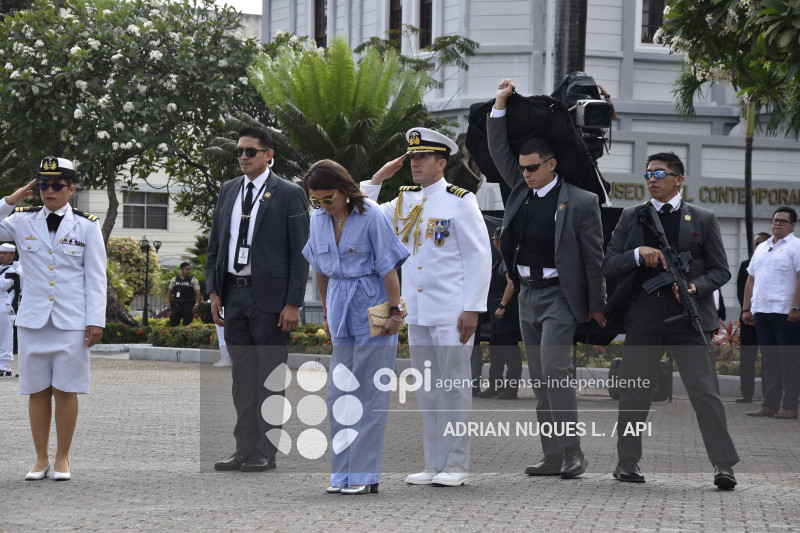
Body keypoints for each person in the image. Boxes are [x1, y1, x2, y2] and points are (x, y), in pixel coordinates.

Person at [488, 78, 606, 479]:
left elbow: (593, 259)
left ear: (551, 165)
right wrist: (501, 104)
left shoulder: (581, 202)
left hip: (558, 296)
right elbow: (498, 148)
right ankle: (552, 454)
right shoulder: (520, 190)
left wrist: (595, 307)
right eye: (522, 169)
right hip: (527, 296)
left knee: (556, 371)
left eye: (533, 168)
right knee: (539, 379)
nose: (525, 174)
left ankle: (574, 452)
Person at [361, 127, 492, 487]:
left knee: (454, 387)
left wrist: (473, 307)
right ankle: (434, 463)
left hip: (453, 312)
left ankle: (457, 465)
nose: (415, 163)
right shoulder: (404, 201)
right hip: (417, 311)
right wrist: (377, 178)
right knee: (429, 389)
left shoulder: (460, 200)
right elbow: (362, 212)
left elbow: (479, 257)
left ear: (441, 162)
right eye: (412, 157)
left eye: (422, 157)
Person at [603, 151, 739, 490]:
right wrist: (637, 255)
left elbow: (721, 270)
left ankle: (724, 465)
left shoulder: (703, 218)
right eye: (648, 173)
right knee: (635, 393)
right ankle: (627, 462)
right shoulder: (632, 216)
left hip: (688, 317)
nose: (651, 178)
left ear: (679, 179)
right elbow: (607, 262)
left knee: (704, 392)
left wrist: (696, 286)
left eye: (660, 173)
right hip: (645, 315)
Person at [301, 159, 410, 495]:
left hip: (373, 303)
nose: (323, 205)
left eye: (328, 197)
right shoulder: (318, 220)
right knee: (339, 394)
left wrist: (395, 312)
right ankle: (343, 473)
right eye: (316, 199)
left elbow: (389, 267)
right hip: (338, 304)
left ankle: (363, 475)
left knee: (369, 391)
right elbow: (320, 269)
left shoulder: (372, 214)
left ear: (345, 190)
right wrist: (325, 315)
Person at [206, 127, 310, 473]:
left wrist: (293, 302)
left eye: (251, 151)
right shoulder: (228, 191)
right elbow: (216, 244)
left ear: (269, 155)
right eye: (239, 152)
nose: (243, 157)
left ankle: (266, 450)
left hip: (271, 301)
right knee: (242, 379)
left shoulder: (289, 193)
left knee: (269, 378)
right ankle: (243, 449)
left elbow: (300, 252)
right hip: (234, 294)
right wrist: (214, 290)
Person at [0, 156, 107, 481]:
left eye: (56, 185)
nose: (49, 191)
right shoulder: (20, 220)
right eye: (43, 185)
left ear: (70, 189)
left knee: (66, 389)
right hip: (33, 321)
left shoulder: (87, 225)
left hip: (72, 321)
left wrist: (96, 320)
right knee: (35, 390)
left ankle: (62, 458)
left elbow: (96, 276)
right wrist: (10, 199)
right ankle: (40, 458)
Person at [742, 207, 800, 420]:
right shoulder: (762, 247)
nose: (777, 224)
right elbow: (751, 279)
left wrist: (795, 307)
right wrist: (747, 309)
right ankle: (770, 405)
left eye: (783, 221)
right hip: (762, 312)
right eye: (775, 220)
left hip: (786, 314)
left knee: (789, 361)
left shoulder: (797, 246)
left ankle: (790, 407)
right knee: (770, 361)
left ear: (792, 225)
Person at [477, 227, 522, 400]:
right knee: (495, 350)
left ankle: (511, 389)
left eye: (495, 239)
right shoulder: (503, 258)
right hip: (499, 312)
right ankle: (495, 385)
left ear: (498, 241)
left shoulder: (507, 259)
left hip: (506, 313)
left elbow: (511, 283)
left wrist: (502, 305)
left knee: (509, 352)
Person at [736, 232, 770, 403]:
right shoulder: (745, 265)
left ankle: (768, 395)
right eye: (756, 243)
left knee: (769, 359)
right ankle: (746, 394)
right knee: (747, 357)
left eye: (762, 243)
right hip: (748, 319)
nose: (758, 246)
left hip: (769, 319)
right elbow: (741, 292)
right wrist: (747, 311)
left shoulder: (774, 264)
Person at [0, 242, 22, 377]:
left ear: (12, 255)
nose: (2, 256)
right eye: (1, 253)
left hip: (6, 306)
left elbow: (4, 285)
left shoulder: (14, 270)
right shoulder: (2, 269)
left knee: (6, 337)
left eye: (5, 254)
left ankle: (5, 367)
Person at [167, 262, 200, 326]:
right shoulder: (174, 279)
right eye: (186, 269)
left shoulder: (193, 280)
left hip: (188, 305)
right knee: (173, 323)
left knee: (187, 325)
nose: (188, 271)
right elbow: (169, 291)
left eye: (189, 269)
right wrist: (168, 302)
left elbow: (198, 292)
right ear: (181, 269)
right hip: (176, 305)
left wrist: (196, 304)